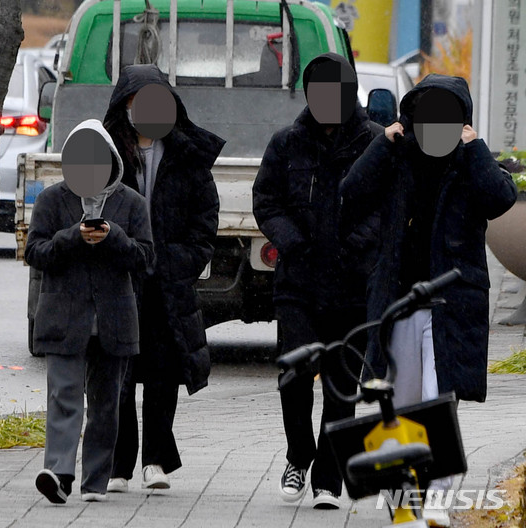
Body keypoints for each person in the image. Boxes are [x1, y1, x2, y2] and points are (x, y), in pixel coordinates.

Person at [340, 74, 517, 526]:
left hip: (452, 305)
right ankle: (403, 501)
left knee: (441, 402)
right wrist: (384, 141)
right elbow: (351, 190)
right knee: (400, 404)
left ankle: (436, 500)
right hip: (399, 302)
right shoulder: (397, 156)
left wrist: (474, 146)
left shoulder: (471, 161)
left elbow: (500, 199)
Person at [252, 53, 383, 509]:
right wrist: (293, 242)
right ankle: (298, 456)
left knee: (340, 386)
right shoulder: (287, 142)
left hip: (351, 285)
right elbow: (266, 200)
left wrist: (355, 245)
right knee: (295, 373)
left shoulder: (374, 142)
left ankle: (329, 478)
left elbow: (385, 206)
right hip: (298, 284)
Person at [103, 64, 225, 492]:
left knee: (161, 372)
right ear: (126, 106)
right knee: (117, 373)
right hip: (121, 278)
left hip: (167, 282)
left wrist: (181, 262)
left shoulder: (186, 154)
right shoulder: (109, 152)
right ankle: (118, 465)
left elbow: (205, 217)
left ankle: (155, 460)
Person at [25, 119, 154, 504]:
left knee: (106, 404)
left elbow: (146, 259)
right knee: (63, 396)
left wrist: (114, 236)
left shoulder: (131, 203)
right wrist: (72, 237)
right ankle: (59, 474)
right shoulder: (51, 200)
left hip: (114, 320)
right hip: (63, 318)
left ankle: (95, 480)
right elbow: (35, 253)